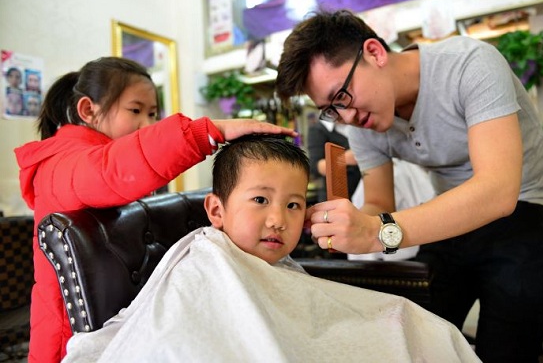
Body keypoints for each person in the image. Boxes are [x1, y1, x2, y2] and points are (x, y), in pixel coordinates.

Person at [275, 9, 543, 363]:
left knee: (508, 347)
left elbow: (498, 191)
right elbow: (378, 202)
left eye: (342, 96)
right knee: (417, 334)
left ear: (375, 53)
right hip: (453, 211)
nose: (346, 117)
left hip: (525, 207)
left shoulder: (470, 65)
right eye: (330, 109)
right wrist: (341, 222)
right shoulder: (362, 123)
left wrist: (379, 232)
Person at [62, 135, 480, 362]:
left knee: (421, 327)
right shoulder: (206, 264)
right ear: (216, 210)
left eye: (294, 204)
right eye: (260, 200)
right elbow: (178, 341)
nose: (279, 218)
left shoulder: (273, 262)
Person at [13, 57, 297, 363]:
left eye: (152, 114)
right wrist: (205, 133)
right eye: (135, 110)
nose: (147, 124)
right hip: (65, 337)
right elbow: (112, 169)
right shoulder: (62, 163)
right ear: (88, 110)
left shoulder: (86, 157)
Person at [307, 118, 361, 202]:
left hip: (361, 190)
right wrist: (345, 158)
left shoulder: (355, 126)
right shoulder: (318, 130)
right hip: (336, 195)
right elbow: (315, 166)